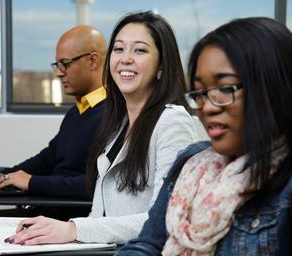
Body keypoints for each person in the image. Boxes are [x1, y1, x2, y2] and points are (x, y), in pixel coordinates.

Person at [4, 11, 197, 245]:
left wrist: (74, 229)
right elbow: (100, 212)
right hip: (101, 247)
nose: (126, 58)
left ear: (161, 67)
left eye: (140, 50)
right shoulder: (118, 124)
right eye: (119, 49)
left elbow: (164, 218)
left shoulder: (173, 122)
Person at [117, 17, 292, 255]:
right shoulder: (191, 162)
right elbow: (148, 245)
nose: (207, 107)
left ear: (273, 86)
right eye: (200, 93)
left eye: (225, 88)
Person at [0, 25, 107, 200]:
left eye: (65, 64)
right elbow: (47, 159)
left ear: (93, 60)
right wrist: (4, 175)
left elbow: (98, 184)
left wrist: (31, 182)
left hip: (69, 216)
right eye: (57, 65)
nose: (58, 73)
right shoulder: (77, 112)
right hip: (49, 206)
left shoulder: (115, 116)